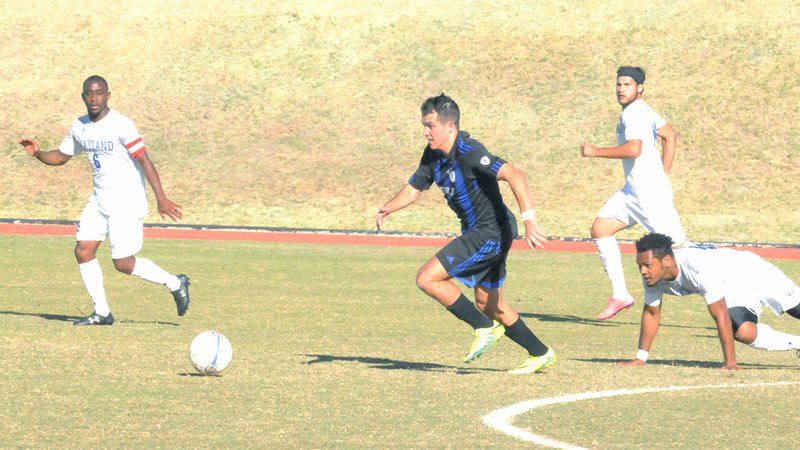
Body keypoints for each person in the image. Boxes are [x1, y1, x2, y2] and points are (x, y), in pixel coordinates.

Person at [375, 94, 555, 375]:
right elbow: (415, 188)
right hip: (481, 231)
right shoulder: (432, 156)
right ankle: (539, 352)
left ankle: (484, 327)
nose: (425, 132)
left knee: (427, 277)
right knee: (487, 302)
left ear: (450, 126)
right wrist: (389, 207)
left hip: (491, 230)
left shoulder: (470, 151)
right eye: (424, 125)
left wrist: (530, 221)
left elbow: (516, 175)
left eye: (430, 126)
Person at [19, 75, 191, 326]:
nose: (94, 97)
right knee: (83, 250)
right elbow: (61, 156)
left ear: (108, 95)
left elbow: (145, 160)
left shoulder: (122, 125)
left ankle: (176, 283)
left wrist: (161, 198)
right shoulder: (79, 126)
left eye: (99, 93)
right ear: (83, 97)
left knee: (122, 263)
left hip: (127, 201)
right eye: (89, 93)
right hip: (100, 199)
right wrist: (37, 153)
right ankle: (102, 313)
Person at [581, 66, 691, 321]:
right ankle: (620, 295)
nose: (621, 89)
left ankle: (724, 290)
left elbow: (633, 149)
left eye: (627, 85)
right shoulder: (642, 111)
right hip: (633, 191)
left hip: (649, 194)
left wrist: (596, 151)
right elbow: (670, 135)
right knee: (601, 229)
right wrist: (663, 172)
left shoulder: (636, 114)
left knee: (681, 249)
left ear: (639, 88)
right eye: (618, 84)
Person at [619, 232, 800, 370]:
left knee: (796, 308)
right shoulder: (651, 277)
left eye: (647, 265)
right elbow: (651, 313)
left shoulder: (697, 268)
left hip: (752, 270)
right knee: (744, 332)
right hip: (731, 287)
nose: (643, 271)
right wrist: (640, 357)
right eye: (640, 266)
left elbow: (720, 314)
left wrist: (730, 363)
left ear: (666, 260)